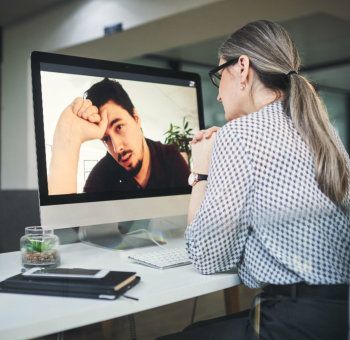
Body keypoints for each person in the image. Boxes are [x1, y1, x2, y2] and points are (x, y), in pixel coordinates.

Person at [159, 20, 349, 340]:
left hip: (292, 322)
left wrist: (202, 172)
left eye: (219, 76)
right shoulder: (325, 134)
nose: (218, 95)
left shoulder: (240, 134)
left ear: (243, 67)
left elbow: (207, 257)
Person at [48, 78, 190, 194]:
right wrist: (68, 135)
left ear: (136, 118)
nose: (116, 148)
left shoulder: (170, 158)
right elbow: (72, 227)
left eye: (119, 127)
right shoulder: (101, 177)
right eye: (106, 139)